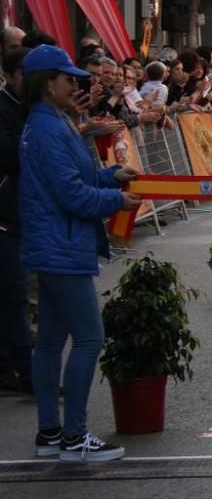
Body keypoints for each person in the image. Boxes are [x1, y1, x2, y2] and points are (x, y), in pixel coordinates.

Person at [19, 45, 142, 462]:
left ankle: (51, 433)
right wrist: (115, 200)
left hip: (55, 243)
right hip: (61, 244)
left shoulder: (55, 122)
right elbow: (71, 193)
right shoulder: (50, 127)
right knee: (89, 339)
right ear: (47, 82)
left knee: (51, 343)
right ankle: (73, 435)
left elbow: (78, 178)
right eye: (69, 78)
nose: (78, 85)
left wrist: (110, 177)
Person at [0, 47, 31, 393]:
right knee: (15, 295)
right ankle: (25, 371)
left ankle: (13, 365)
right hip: (6, 216)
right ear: (9, 75)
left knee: (16, 296)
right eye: (25, 73)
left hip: (26, 215)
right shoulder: (7, 109)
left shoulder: (35, 110)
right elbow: (12, 155)